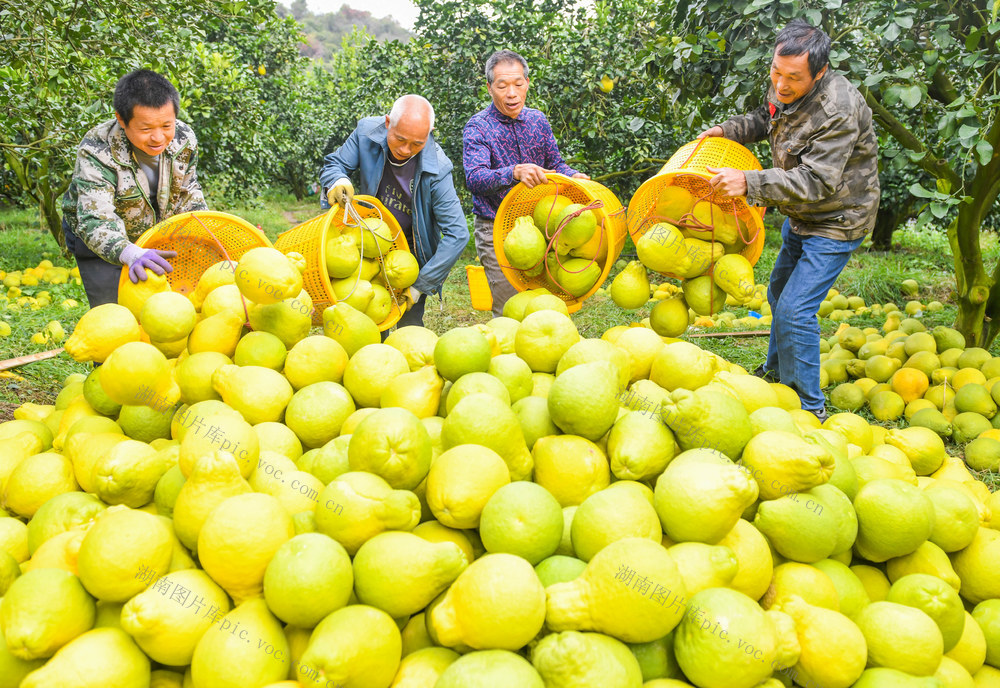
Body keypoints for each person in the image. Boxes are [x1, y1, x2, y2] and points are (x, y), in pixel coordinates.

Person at [699, 19, 879, 421]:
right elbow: (767, 119)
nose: (781, 84)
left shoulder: (838, 109)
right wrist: (726, 131)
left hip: (836, 218)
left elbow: (816, 181)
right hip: (801, 214)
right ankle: (777, 374)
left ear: (820, 71)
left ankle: (808, 408)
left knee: (795, 309)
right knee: (780, 296)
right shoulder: (785, 83)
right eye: (776, 72)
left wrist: (748, 182)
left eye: (793, 78)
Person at [320, 94, 469, 330]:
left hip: (409, 254)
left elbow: (458, 233)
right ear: (388, 122)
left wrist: (420, 285)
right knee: (366, 322)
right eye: (400, 139)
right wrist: (337, 179)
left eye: (417, 144)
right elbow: (335, 163)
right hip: (367, 241)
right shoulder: (365, 133)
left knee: (409, 329)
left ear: (429, 133)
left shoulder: (438, 168)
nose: (406, 149)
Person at [62, 69, 208, 307]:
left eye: (166, 125)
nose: (158, 137)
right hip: (99, 237)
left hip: (153, 230)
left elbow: (188, 191)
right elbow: (94, 220)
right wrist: (129, 253)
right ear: (121, 119)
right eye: (146, 129)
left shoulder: (184, 139)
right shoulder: (96, 149)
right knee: (114, 312)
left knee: (166, 307)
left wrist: (207, 230)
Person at [462, 50, 589, 316]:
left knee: (544, 305)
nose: (512, 93)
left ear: (527, 83)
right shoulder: (478, 127)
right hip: (496, 228)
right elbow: (474, 177)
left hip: (540, 227)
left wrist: (573, 175)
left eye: (518, 84)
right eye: (502, 85)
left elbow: (556, 164)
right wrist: (513, 172)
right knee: (510, 309)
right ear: (489, 88)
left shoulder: (537, 120)